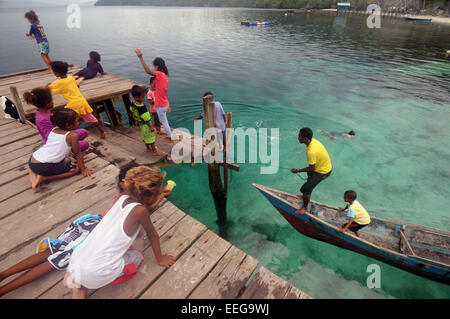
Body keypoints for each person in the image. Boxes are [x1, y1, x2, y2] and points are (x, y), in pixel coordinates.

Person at [65, 166, 176, 299]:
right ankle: (101, 279)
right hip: (97, 272)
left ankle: (79, 285)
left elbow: (145, 205)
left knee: (83, 280)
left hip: (76, 261)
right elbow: (153, 235)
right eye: (157, 192)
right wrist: (160, 258)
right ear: (151, 195)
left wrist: (160, 194)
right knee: (137, 256)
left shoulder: (122, 196)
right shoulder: (140, 211)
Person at [0, 214, 102, 298]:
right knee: (61, 257)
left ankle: (4, 275)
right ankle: (3, 290)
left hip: (92, 222)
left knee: (58, 248)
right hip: (99, 229)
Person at [28, 106, 94, 189]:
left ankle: (32, 171)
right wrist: (83, 169)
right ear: (68, 125)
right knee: (77, 169)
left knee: (66, 159)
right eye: (77, 120)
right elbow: (78, 154)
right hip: (43, 166)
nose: (78, 122)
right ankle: (44, 178)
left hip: (33, 159)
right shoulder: (72, 136)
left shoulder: (54, 129)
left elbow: (61, 147)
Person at [48, 61, 106, 138]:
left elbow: (47, 90)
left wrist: (48, 85)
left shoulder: (58, 83)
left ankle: (70, 137)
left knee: (64, 119)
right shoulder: (71, 78)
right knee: (91, 117)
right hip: (82, 101)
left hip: (73, 104)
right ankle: (102, 132)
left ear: (57, 73)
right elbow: (77, 85)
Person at [23, 87, 89, 152]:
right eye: (51, 100)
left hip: (62, 135)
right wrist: (68, 134)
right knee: (85, 144)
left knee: (84, 132)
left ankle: (74, 145)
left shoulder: (46, 112)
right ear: (47, 103)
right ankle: (71, 150)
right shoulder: (42, 120)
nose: (53, 102)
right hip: (56, 143)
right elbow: (51, 137)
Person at [134, 48, 174, 143]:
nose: (153, 68)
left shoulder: (159, 74)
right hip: (165, 103)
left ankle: (169, 137)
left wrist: (140, 57)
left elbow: (148, 71)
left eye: (154, 66)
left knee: (164, 122)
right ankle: (168, 134)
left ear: (157, 66)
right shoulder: (165, 76)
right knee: (165, 121)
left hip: (160, 105)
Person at [291, 127, 332, 214]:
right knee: (309, 180)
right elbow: (312, 166)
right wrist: (309, 171)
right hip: (320, 166)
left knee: (305, 189)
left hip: (323, 171)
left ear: (305, 138)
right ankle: (305, 197)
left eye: (299, 136)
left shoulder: (311, 150)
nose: (298, 137)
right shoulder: (312, 142)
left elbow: (311, 168)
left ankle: (305, 207)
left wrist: (298, 170)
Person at [130, 85, 165, 156]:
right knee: (151, 138)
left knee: (145, 136)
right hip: (146, 125)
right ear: (137, 97)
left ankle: (148, 148)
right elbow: (146, 118)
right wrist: (151, 127)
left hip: (141, 125)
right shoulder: (142, 107)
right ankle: (155, 151)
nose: (144, 98)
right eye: (142, 96)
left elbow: (131, 109)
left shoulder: (133, 104)